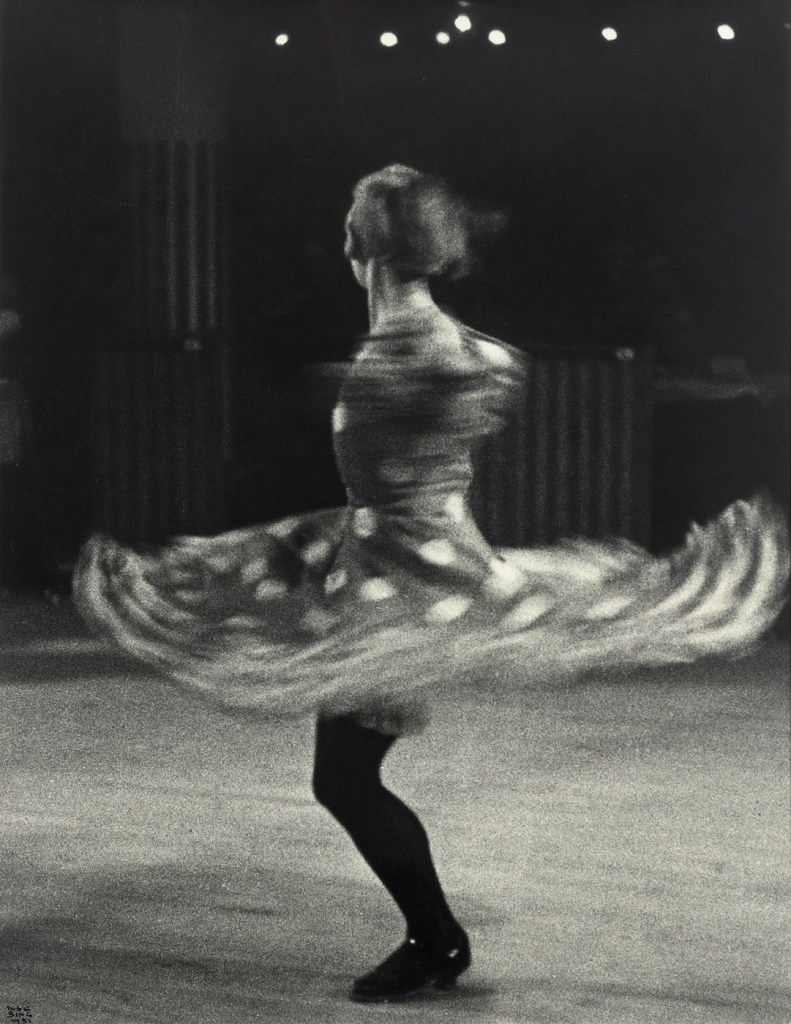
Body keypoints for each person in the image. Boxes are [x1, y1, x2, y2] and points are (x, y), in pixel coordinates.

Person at [74, 165, 789, 1003]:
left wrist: (377, 390)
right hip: (379, 560)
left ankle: (436, 939)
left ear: (357, 243)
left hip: (407, 581)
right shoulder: (411, 343)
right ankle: (435, 938)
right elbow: (476, 377)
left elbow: (462, 382)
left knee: (343, 780)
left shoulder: (413, 347)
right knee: (344, 778)